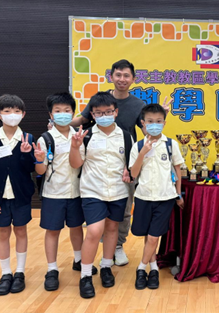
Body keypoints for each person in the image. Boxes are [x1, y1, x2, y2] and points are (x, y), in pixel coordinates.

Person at [71, 59, 145, 266]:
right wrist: (61, 123)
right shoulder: (100, 99)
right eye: (118, 75)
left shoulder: (138, 105)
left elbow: (146, 129)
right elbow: (82, 120)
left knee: (124, 210)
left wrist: (158, 118)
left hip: (124, 164)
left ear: (133, 79)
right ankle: (102, 250)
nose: (122, 79)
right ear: (111, 76)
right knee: (99, 214)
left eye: (126, 75)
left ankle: (118, 246)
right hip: (98, 163)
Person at [69, 91, 134, 299]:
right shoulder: (86, 135)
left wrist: (129, 171)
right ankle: (85, 276)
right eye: (99, 112)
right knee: (94, 231)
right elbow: (76, 164)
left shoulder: (126, 136)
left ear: (116, 112)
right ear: (92, 114)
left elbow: (131, 163)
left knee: (112, 228)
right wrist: (75, 147)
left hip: (118, 190)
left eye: (108, 111)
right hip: (93, 191)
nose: (104, 115)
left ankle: (106, 266)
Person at [33, 92, 97, 291]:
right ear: (51, 115)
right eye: (58, 111)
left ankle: (78, 260)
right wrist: (38, 160)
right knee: (52, 231)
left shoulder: (80, 135)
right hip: (53, 193)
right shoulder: (45, 138)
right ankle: (52, 269)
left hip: (77, 192)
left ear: (73, 113)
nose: (62, 114)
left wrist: (76, 147)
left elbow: (80, 163)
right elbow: (41, 171)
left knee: (76, 227)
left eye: (67, 110)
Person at [0, 94, 36, 295]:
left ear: (23, 114)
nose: (12, 115)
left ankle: (20, 272)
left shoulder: (28, 138)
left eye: (17, 111)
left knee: (21, 231)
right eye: (7, 111)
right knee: (3, 232)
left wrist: (27, 154)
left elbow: (31, 169)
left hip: (21, 196)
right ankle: (5, 274)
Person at [129, 103, 185, 290]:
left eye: (159, 121)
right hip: (143, 197)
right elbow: (133, 174)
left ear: (164, 123)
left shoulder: (171, 144)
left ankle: (140, 268)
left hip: (165, 197)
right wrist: (142, 153)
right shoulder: (138, 146)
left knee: (153, 237)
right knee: (147, 235)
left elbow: (178, 170)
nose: (155, 125)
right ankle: (153, 269)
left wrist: (178, 194)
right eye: (150, 121)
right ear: (143, 123)